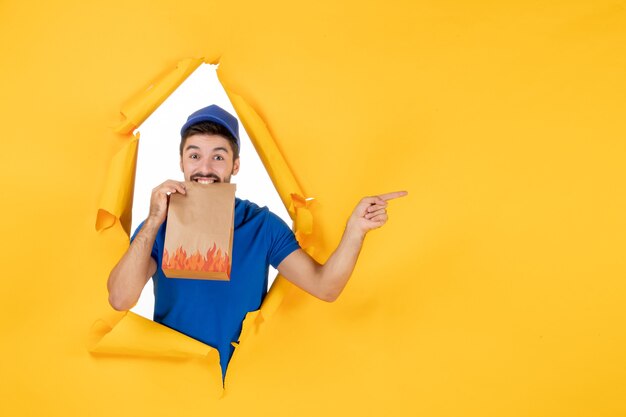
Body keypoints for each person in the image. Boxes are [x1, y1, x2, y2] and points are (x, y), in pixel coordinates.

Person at [107, 104, 407, 378]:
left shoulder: (262, 225)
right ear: (182, 162)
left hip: (243, 384)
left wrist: (355, 230)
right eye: (195, 155)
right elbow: (120, 298)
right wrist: (154, 219)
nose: (206, 168)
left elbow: (325, 287)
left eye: (219, 157)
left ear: (235, 165)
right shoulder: (159, 224)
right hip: (174, 381)